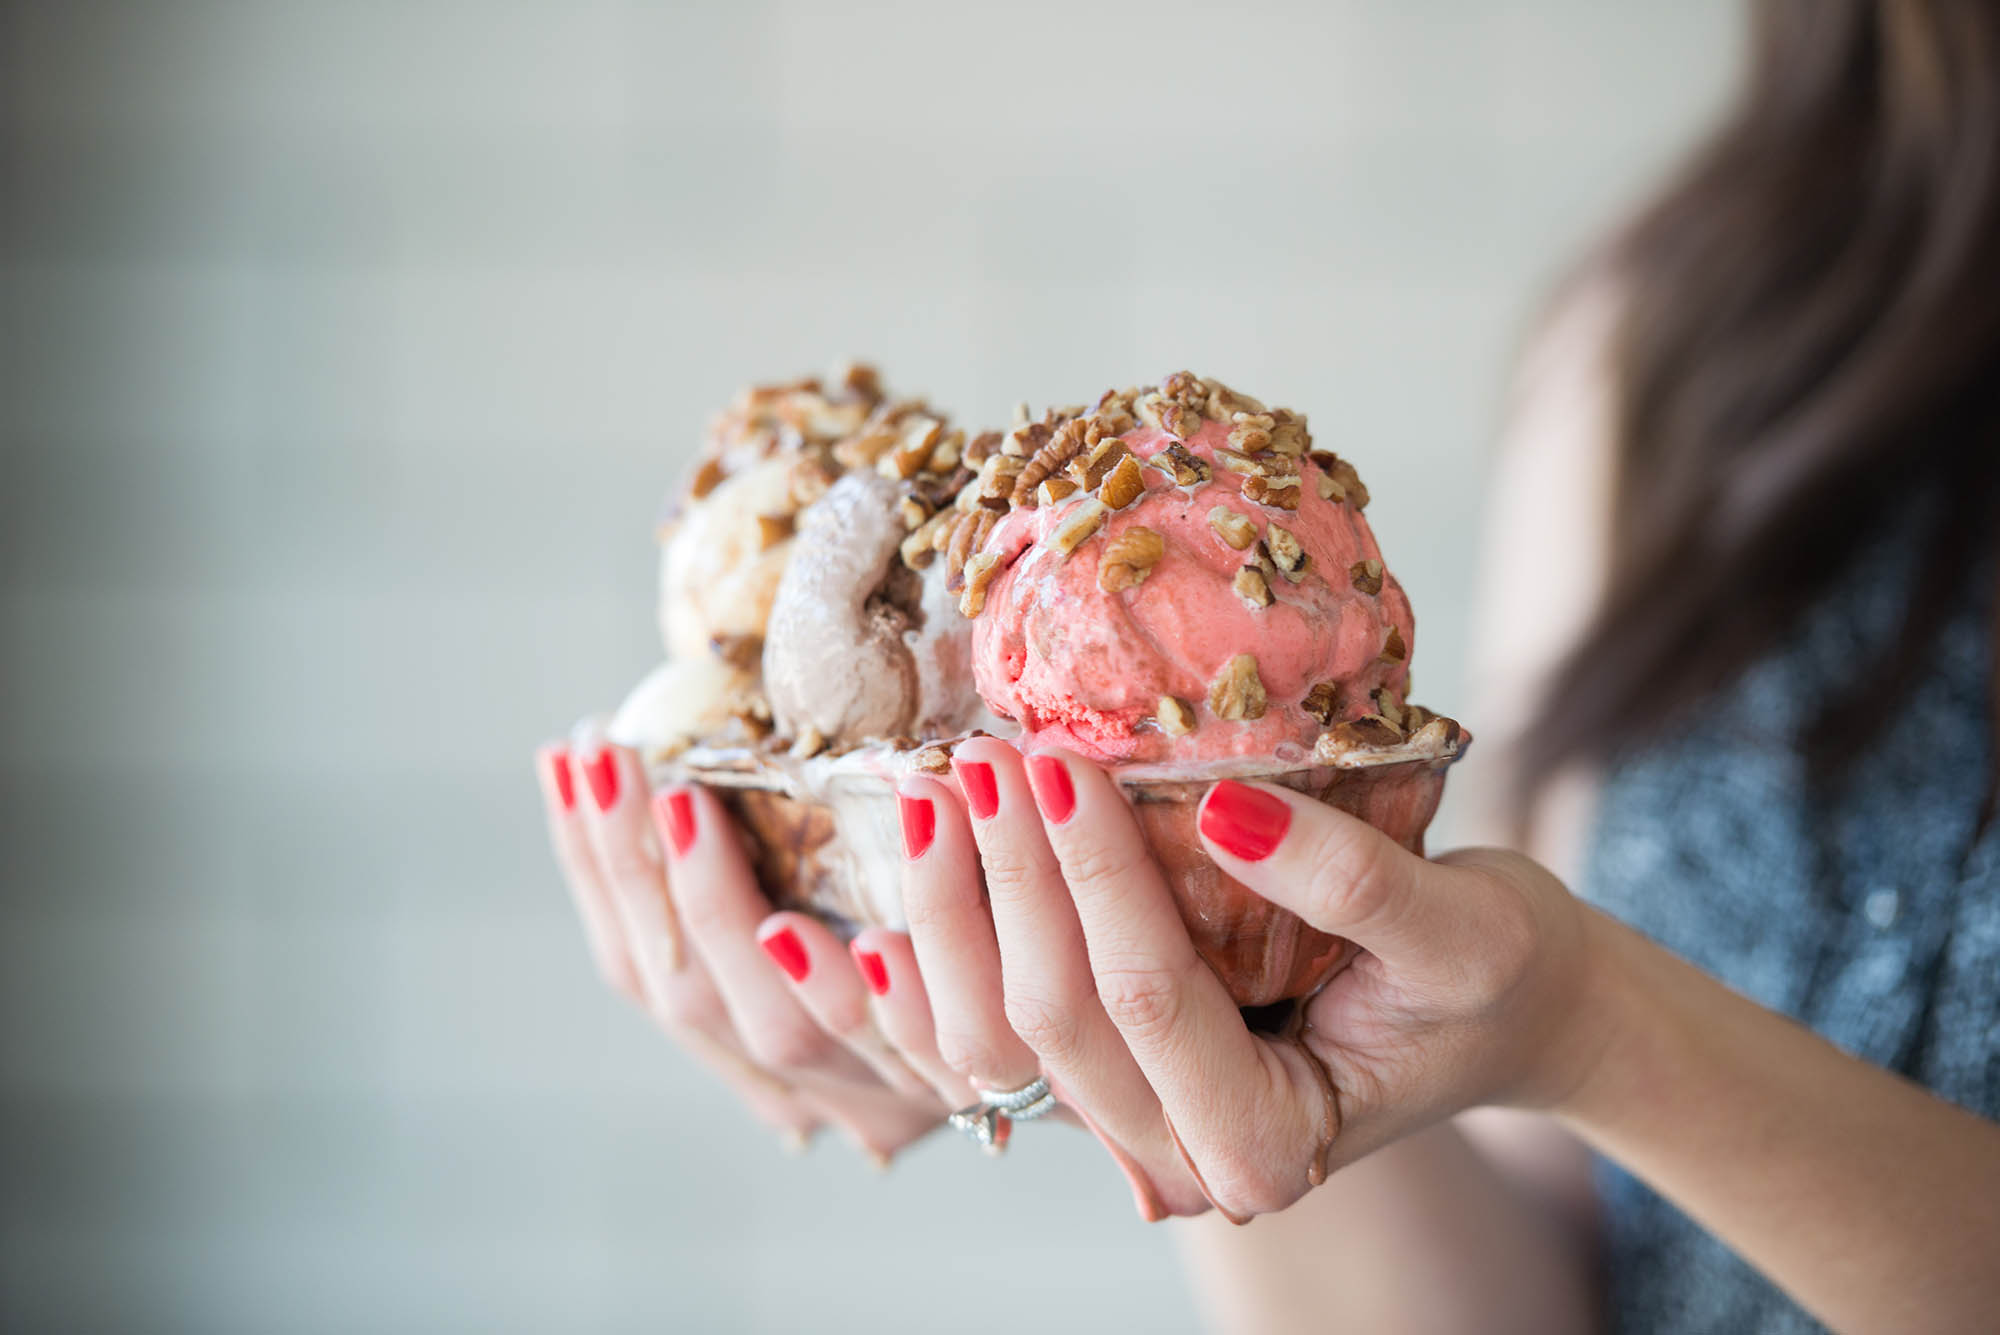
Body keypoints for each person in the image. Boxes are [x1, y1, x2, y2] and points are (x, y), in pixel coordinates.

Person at [537, 2, 2000, 1329]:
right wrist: (1207, 1027)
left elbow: (1571, 1029)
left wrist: (1597, 1027)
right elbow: (1527, 1302)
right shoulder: (1682, 339)